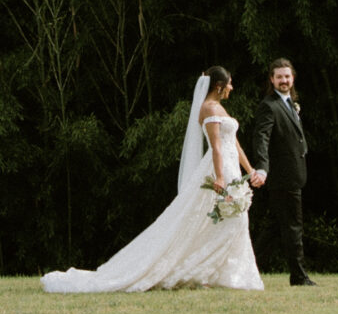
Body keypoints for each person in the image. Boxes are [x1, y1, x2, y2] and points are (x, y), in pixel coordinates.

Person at [40, 66, 265, 293]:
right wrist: (219, 176)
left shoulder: (219, 108)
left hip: (231, 167)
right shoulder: (208, 108)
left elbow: (233, 143)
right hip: (221, 168)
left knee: (229, 219)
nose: (232, 87)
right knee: (223, 219)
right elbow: (216, 146)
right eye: (229, 83)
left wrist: (250, 169)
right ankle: (199, 271)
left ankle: (219, 273)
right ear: (219, 85)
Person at [250, 57, 316, 285]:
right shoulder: (269, 106)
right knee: (293, 227)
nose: (284, 80)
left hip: (294, 175)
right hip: (283, 176)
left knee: (275, 227)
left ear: (293, 78)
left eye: (287, 76)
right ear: (272, 79)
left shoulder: (290, 103)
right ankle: (298, 276)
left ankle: (247, 268)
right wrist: (262, 166)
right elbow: (262, 138)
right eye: (279, 77)